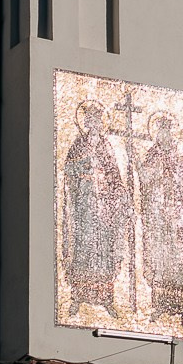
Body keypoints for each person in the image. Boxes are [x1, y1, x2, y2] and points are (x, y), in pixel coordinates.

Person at [60, 100, 127, 316]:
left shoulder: (107, 146)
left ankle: (106, 299)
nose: (94, 123)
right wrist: (83, 164)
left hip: (104, 209)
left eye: (97, 119)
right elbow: (68, 168)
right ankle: (78, 297)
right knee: (84, 248)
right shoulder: (79, 144)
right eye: (90, 119)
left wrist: (122, 198)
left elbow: (115, 176)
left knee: (103, 251)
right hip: (85, 206)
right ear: (86, 123)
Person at [135, 112, 183, 327]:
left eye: (166, 133)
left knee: (179, 262)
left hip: (178, 221)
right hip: (160, 219)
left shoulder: (179, 161)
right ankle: (160, 305)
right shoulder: (152, 157)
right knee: (161, 261)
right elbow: (145, 180)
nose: (163, 137)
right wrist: (136, 161)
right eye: (160, 133)